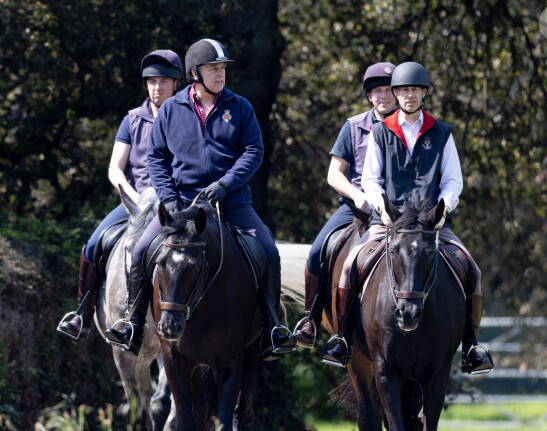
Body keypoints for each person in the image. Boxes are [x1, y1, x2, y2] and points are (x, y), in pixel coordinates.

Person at [104, 38, 297, 360]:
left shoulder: (240, 107)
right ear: (195, 73)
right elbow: (156, 158)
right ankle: (132, 323)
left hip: (231, 204)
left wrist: (225, 185)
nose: (220, 75)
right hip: (181, 206)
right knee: (139, 251)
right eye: (213, 69)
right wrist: (169, 200)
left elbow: (254, 151)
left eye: (222, 68)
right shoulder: (171, 110)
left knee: (267, 250)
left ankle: (272, 327)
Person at [321, 62, 493, 375]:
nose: (408, 95)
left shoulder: (442, 132)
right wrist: (382, 208)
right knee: (348, 267)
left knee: (472, 269)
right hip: (389, 220)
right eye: (402, 90)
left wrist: (444, 207)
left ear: (425, 93)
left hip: (431, 223)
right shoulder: (380, 132)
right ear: (396, 94)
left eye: (414, 89)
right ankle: (342, 339)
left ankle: (471, 347)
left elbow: (453, 179)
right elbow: (371, 179)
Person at [57, 50, 184, 340]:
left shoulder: (186, 120)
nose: (157, 87)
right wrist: (131, 197)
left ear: (176, 84)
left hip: (173, 205)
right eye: (152, 81)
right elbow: (115, 168)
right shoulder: (131, 120)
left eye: (164, 81)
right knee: (93, 244)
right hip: (136, 202)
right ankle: (82, 315)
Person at [293, 62, 397, 347]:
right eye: (377, 91)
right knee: (317, 251)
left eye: (389, 90)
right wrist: (356, 195)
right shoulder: (353, 127)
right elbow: (333, 173)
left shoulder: (409, 127)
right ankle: (310, 320)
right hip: (357, 207)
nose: (384, 96)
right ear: (369, 96)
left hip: (399, 210)